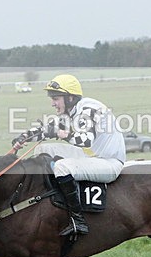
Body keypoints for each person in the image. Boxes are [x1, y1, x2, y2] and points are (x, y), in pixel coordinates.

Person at [12, 74, 126, 239]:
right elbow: (47, 129)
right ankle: (49, 200)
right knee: (42, 150)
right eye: (52, 98)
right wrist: (23, 137)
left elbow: (85, 140)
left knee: (61, 167)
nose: (52, 103)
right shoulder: (71, 110)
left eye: (56, 98)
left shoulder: (89, 108)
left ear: (70, 97)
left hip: (108, 163)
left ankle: (77, 220)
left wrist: (60, 133)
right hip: (91, 156)